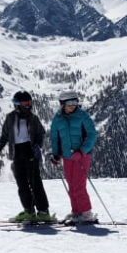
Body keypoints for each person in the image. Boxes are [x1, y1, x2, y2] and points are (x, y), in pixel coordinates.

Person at [0, 90, 53, 223]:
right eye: (25, 103)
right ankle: (29, 211)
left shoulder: (33, 118)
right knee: (22, 183)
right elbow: (5, 136)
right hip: (17, 152)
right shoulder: (10, 118)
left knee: (35, 182)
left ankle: (43, 211)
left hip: (30, 151)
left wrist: (38, 146)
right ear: (17, 104)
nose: (28, 105)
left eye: (29, 102)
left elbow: (41, 133)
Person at [48, 90, 98, 223]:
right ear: (62, 104)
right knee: (71, 185)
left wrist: (81, 151)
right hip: (67, 157)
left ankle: (86, 213)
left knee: (79, 185)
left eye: (75, 102)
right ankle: (76, 212)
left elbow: (92, 134)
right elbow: (55, 138)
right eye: (69, 102)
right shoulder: (57, 119)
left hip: (81, 156)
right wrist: (56, 155)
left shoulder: (82, 116)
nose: (72, 105)